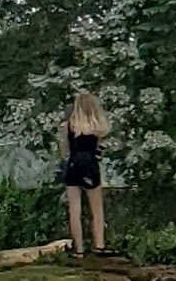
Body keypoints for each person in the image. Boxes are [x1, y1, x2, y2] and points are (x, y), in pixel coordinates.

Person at [59, 91, 111, 255]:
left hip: (73, 166)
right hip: (90, 166)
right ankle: (99, 245)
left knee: (75, 209)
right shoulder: (98, 127)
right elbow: (99, 151)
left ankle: (79, 250)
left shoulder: (68, 125)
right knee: (96, 209)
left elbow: (65, 149)